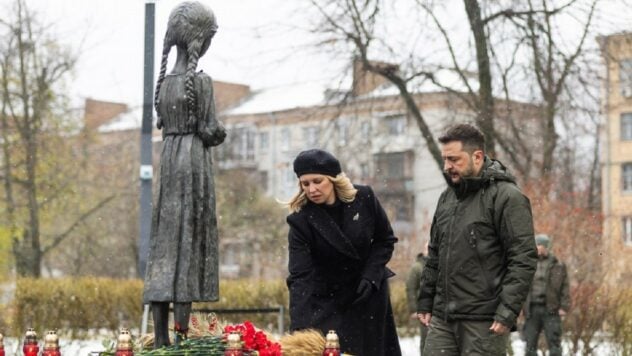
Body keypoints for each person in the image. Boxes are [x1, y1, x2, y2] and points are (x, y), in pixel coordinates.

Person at [142, 1, 226, 348]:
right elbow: (209, 130)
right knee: (188, 242)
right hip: (193, 165)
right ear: (199, 41)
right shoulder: (201, 83)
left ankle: (161, 336)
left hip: (169, 162)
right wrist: (220, 132)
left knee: (165, 245)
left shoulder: (164, 85)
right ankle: (182, 335)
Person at [417, 123, 537, 355]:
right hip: (442, 319)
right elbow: (434, 254)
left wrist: (507, 311)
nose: (447, 167)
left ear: (478, 156)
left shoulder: (507, 197)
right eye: (445, 160)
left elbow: (523, 258)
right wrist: (425, 300)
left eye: (454, 160)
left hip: (485, 321)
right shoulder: (447, 198)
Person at [285, 148, 402, 356]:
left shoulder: (364, 198)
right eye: (305, 183)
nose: (312, 189)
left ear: (333, 179)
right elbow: (300, 276)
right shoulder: (300, 221)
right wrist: (299, 328)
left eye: (317, 181)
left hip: (368, 294)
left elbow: (385, 240)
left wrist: (371, 275)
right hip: (329, 301)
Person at [522, 234, 570, 356]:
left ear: (546, 247)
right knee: (530, 344)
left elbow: (565, 287)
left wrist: (564, 306)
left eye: (540, 245)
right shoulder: (527, 264)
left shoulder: (557, 264)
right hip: (532, 309)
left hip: (551, 309)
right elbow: (521, 285)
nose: (538, 248)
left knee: (554, 344)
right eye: (536, 245)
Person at [406, 249, 428, 355]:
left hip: (436, 310)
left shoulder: (436, 264)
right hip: (423, 309)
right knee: (425, 340)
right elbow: (411, 288)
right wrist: (414, 309)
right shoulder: (417, 267)